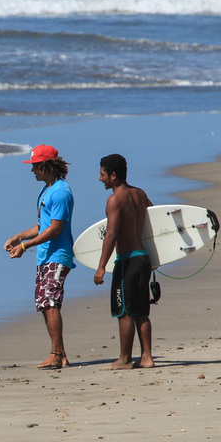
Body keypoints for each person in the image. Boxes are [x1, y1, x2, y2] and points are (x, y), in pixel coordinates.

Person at [5, 144, 75, 369]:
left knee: (50, 302)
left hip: (57, 254)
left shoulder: (61, 192)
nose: (32, 170)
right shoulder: (47, 190)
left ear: (46, 166)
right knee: (45, 303)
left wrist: (25, 247)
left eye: (35, 166)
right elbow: (41, 226)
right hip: (45, 256)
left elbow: (55, 229)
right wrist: (19, 236)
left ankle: (55, 354)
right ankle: (61, 355)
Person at [93, 153, 155, 369]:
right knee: (141, 310)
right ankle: (146, 356)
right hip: (143, 258)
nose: (100, 179)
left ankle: (125, 358)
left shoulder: (114, 200)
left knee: (124, 311)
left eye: (102, 175)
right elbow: (154, 219)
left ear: (113, 175)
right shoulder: (140, 194)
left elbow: (111, 235)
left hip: (127, 261)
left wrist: (101, 266)